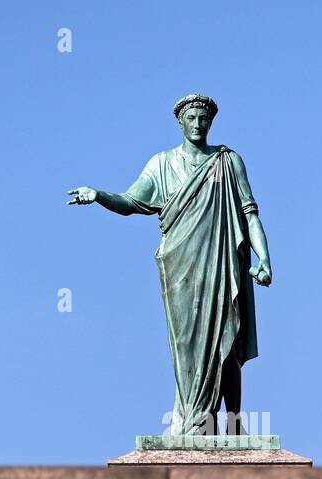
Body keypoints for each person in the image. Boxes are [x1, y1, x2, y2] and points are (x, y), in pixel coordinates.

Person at [67, 93, 272, 437]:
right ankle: (193, 420)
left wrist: (264, 258)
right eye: (191, 117)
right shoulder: (162, 164)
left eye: (203, 118)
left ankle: (234, 424)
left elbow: (249, 212)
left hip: (221, 261)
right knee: (189, 345)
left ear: (211, 122)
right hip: (181, 267)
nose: (197, 124)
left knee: (227, 337)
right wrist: (99, 195)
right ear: (180, 121)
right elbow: (131, 201)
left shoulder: (228, 160)